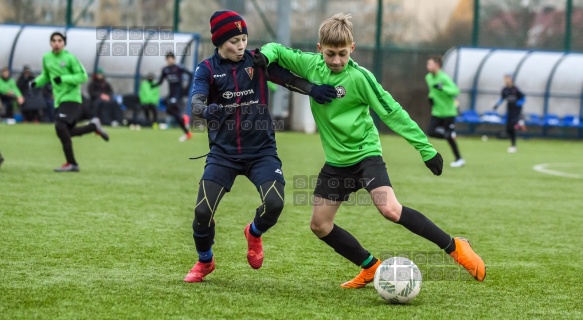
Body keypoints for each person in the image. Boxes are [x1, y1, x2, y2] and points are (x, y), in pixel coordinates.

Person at [257, 13, 486, 288]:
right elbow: (277, 51)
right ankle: (370, 267)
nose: (337, 60)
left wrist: (426, 149)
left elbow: (393, 113)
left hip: (366, 155)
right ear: (320, 49)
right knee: (320, 225)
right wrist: (264, 57)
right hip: (336, 162)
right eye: (330, 54)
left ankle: (456, 247)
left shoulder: (361, 78)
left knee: (389, 209)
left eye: (343, 53)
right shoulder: (311, 65)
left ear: (352, 48)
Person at [184, 10, 338, 283]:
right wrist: (207, 111)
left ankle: (253, 232)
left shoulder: (257, 61)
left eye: (244, 38)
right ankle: (205, 261)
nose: (241, 45)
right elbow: (195, 103)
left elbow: (289, 79)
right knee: (202, 212)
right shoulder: (206, 69)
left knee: (275, 204)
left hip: (262, 152)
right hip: (223, 155)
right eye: (234, 40)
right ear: (219, 42)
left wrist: (314, 89)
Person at [31, 31, 110, 172]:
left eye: (59, 40)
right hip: (59, 100)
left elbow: (83, 76)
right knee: (67, 131)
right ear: (50, 43)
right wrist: (35, 83)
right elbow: (46, 75)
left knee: (60, 127)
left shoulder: (70, 58)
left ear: (64, 43)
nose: (56, 43)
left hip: (72, 98)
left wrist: (63, 78)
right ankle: (93, 126)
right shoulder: (46, 58)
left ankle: (72, 163)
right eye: (54, 40)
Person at [425, 55, 465, 168]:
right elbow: (432, 91)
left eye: (430, 63)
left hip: (448, 112)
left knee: (449, 139)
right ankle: (449, 134)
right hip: (437, 112)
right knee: (430, 131)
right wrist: (431, 97)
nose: (427, 66)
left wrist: (442, 88)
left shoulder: (444, 77)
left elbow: (455, 91)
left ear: (437, 65)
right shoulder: (428, 77)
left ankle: (459, 159)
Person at [153, 52, 193, 141]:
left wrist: (186, 89)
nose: (169, 60)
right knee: (169, 110)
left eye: (171, 58)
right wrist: (153, 85)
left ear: (174, 59)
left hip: (178, 93)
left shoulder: (179, 67)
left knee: (172, 107)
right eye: (168, 59)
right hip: (171, 94)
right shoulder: (165, 69)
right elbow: (160, 81)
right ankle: (187, 132)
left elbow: (190, 75)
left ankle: (183, 119)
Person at [493, 73, 526, 153]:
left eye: (507, 78)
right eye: (505, 79)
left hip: (516, 110)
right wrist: (497, 105)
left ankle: (513, 145)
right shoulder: (505, 90)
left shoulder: (516, 89)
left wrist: (518, 103)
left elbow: (523, 98)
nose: (506, 80)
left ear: (511, 79)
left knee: (512, 126)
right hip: (509, 110)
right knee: (508, 128)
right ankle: (519, 126)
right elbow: (502, 98)